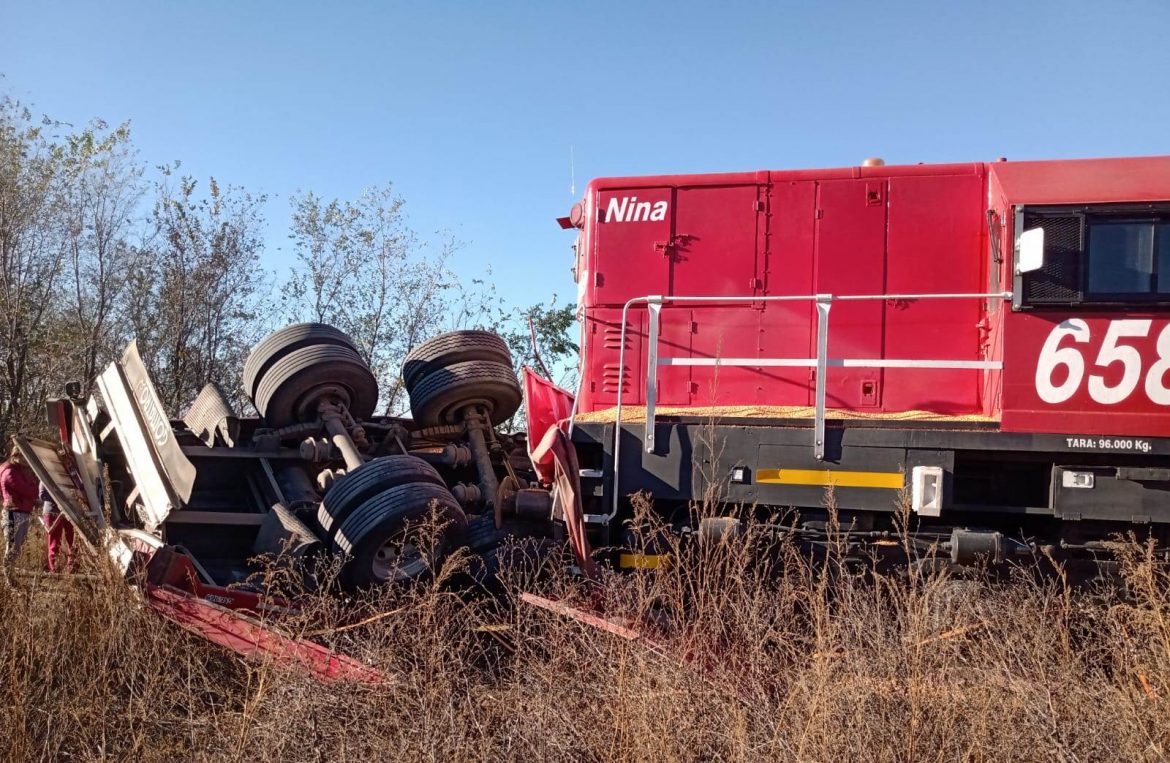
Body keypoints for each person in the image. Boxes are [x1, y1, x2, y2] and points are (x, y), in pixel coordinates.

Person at [1, 445, 38, 565]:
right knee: (12, 546)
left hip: (22, 511)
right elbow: (27, 490)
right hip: (13, 512)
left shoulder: (19, 471)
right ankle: (8, 576)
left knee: (18, 545)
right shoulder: (10, 472)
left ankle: (11, 575)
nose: (26, 460)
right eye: (23, 456)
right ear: (16, 456)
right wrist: (34, 488)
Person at [41, 483, 75, 573]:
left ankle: (71, 569)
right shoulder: (45, 472)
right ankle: (54, 571)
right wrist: (59, 498)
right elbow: (42, 494)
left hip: (70, 510)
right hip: (53, 511)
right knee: (54, 543)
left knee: (73, 541)